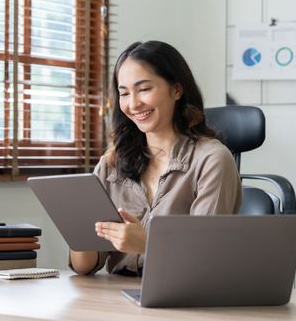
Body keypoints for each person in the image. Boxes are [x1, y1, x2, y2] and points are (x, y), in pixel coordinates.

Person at [69, 41, 242, 276]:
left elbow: (204, 258)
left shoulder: (212, 159)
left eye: (144, 89)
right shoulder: (111, 164)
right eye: (124, 93)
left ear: (177, 90)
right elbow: (84, 266)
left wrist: (146, 243)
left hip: (182, 295)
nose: (133, 104)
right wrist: (76, 225)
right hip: (118, 297)